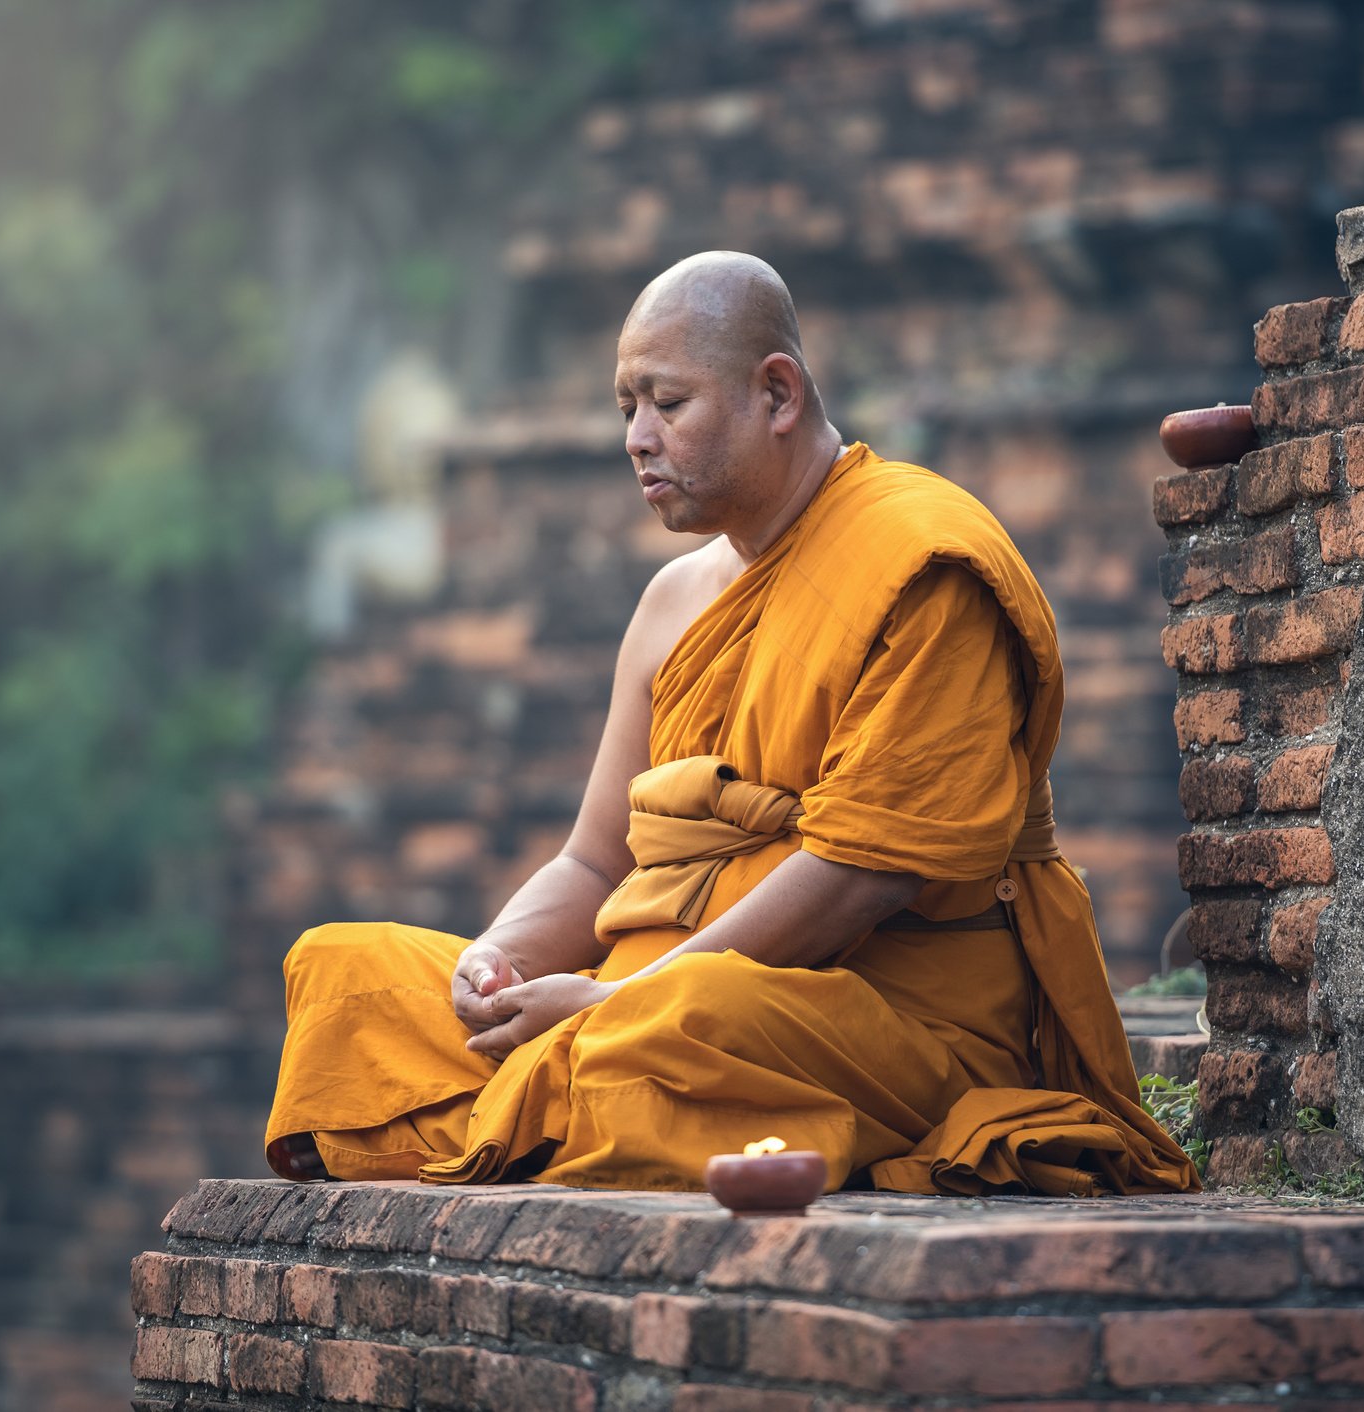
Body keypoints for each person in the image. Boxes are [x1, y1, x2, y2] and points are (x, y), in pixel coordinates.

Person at [264, 251, 1197, 1196]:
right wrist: (495, 964)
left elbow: (861, 876)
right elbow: (595, 862)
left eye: (667, 404)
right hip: (645, 998)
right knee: (345, 974)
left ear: (778, 395)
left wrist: (619, 1000)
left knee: (673, 1033)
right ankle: (543, 1096)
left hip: (864, 1017)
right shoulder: (673, 602)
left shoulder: (921, 565)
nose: (637, 437)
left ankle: (520, 1105)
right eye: (625, 406)